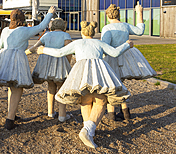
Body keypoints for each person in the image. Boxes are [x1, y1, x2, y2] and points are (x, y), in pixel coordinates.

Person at [37, 21, 133, 149]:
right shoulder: (99, 43)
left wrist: (44, 50)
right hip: (98, 71)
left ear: (82, 32)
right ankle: (87, 130)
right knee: (101, 101)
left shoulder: (77, 43)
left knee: (85, 101)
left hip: (81, 72)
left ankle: (88, 130)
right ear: (93, 32)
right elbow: (115, 52)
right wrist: (127, 45)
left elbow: (60, 53)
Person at [0, 6, 56, 130]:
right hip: (17, 58)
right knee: (17, 88)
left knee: (11, 86)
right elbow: (41, 27)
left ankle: (12, 113)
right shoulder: (24, 30)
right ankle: (10, 120)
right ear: (22, 19)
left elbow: (1, 45)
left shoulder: (5, 30)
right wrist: (49, 14)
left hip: (4, 57)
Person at [101, 3, 156, 121]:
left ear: (107, 15)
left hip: (112, 56)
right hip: (125, 56)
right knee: (120, 83)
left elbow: (105, 45)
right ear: (118, 15)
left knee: (112, 85)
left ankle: (111, 113)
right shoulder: (125, 26)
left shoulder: (107, 28)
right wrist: (139, 13)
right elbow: (140, 31)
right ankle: (125, 111)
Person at [26, 18, 72, 122]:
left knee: (50, 86)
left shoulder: (47, 35)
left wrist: (26, 52)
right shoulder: (65, 35)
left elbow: (35, 47)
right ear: (63, 27)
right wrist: (67, 63)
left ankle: (50, 112)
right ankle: (62, 115)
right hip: (60, 63)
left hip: (47, 64)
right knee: (61, 89)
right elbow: (69, 50)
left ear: (52, 27)